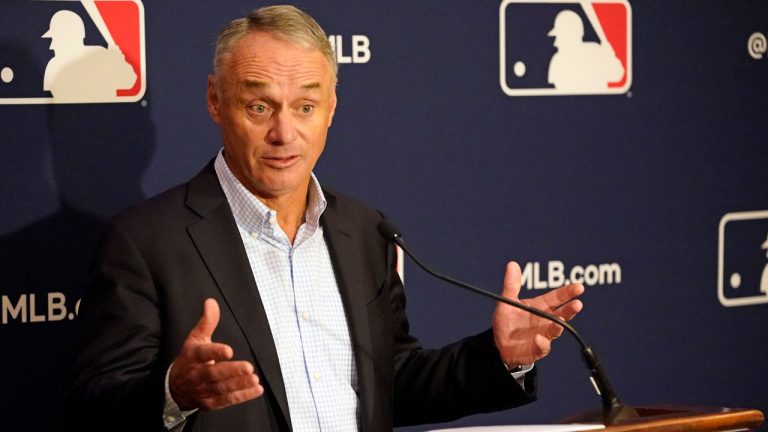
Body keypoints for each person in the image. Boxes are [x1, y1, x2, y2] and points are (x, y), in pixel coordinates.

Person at [67, 5, 584, 431]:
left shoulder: (364, 230)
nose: (285, 133)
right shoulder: (144, 241)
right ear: (215, 101)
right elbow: (93, 407)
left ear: (332, 107)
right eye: (259, 107)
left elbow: (392, 382)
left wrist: (498, 357)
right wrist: (173, 393)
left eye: (306, 107)